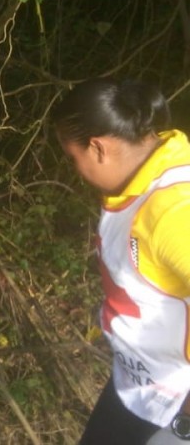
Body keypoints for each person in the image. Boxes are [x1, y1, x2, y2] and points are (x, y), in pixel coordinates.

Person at [53, 77, 190, 444]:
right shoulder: (140, 181)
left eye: (73, 157)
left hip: (173, 403)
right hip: (138, 386)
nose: (75, 170)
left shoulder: (175, 211)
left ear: (98, 148)